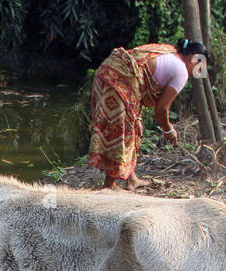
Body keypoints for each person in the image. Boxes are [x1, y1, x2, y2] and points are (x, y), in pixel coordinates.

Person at [88, 38, 206, 191]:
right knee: (122, 132)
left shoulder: (168, 50)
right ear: (193, 58)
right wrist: (168, 130)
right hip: (118, 83)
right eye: (198, 65)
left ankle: (131, 179)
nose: (196, 71)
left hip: (106, 73)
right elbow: (161, 109)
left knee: (133, 127)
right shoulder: (181, 71)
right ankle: (109, 185)